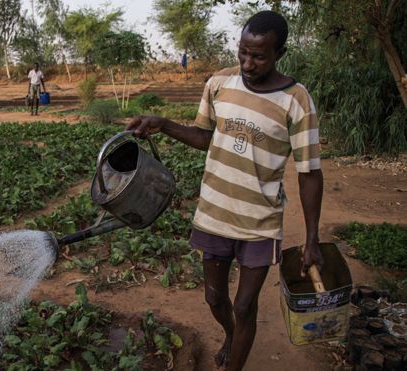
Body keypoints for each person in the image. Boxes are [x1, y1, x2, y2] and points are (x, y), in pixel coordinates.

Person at [126, 11, 323, 371]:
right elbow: (205, 137)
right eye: (243, 52)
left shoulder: (296, 100)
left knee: (245, 305)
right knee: (215, 297)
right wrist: (164, 124)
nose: (248, 63)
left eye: (259, 56)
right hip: (214, 213)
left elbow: (309, 173)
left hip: (260, 223)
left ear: (279, 53)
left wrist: (312, 237)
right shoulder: (219, 83)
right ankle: (231, 334)